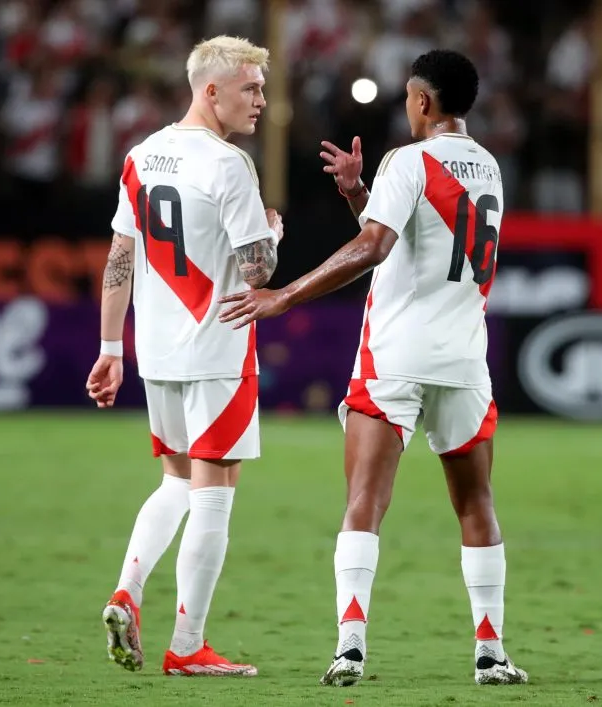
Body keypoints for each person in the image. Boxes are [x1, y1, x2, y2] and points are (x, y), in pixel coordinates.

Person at [218, 49, 528, 687]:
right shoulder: (490, 168)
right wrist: (361, 192)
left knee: (364, 502)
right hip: (466, 358)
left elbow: (374, 248)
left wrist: (283, 294)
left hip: (396, 355)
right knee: (476, 504)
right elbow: (419, 241)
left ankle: (350, 647)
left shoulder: (409, 161)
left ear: (422, 101)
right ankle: (491, 653)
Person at [86, 35, 284, 677]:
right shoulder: (228, 165)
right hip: (219, 348)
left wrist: (110, 347)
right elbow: (258, 272)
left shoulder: (142, 155)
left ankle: (126, 591)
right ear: (211, 91)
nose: (261, 101)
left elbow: (120, 256)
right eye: (251, 89)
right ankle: (188, 644)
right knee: (216, 492)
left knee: (176, 480)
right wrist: (274, 234)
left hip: (160, 352)